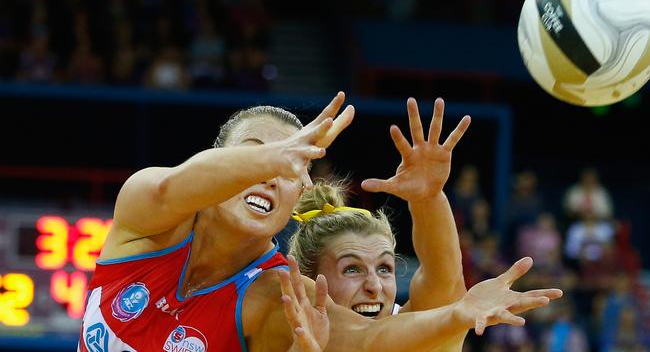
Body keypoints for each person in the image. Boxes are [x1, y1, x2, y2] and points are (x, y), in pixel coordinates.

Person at [79, 92, 561, 352]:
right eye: (255, 156)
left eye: (289, 170)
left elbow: (373, 339)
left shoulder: (280, 297)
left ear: (299, 196)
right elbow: (172, 187)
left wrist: (458, 313)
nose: (270, 174)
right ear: (216, 160)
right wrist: (280, 155)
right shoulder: (147, 217)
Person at [287, 98, 557, 350]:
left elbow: (443, 282)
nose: (375, 286)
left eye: (384, 268)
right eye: (352, 269)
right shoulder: (272, 329)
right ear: (307, 281)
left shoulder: (417, 337)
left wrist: (429, 199)